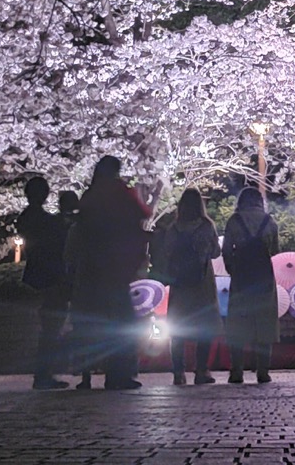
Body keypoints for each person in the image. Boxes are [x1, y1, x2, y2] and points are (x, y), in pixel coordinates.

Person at [69, 156, 150, 390]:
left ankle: (85, 374)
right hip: (114, 268)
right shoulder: (120, 192)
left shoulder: (90, 195)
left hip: (89, 268)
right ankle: (119, 373)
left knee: (89, 323)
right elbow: (140, 214)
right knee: (120, 322)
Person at [158, 188, 221, 385]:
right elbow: (216, 252)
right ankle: (201, 370)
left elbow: (167, 252)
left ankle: (179, 372)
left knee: (178, 328)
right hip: (202, 283)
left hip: (180, 284)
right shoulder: (207, 226)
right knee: (204, 328)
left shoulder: (174, 228)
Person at [16, 175, 73, 389]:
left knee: (49, 325)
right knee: (51, 325)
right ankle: (43, 374)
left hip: (39, 273)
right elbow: (56, 239)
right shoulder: (44, 220)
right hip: (49, 274)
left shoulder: (26, 217)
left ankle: (43, 373)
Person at [222, 186, 279, 384]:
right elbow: (274, 250)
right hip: (263, 275)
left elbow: (227, 249)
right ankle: (263, 370)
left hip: (241, 275)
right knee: (264, 321)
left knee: (238, 322)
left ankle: (236, 370)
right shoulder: (269, 221)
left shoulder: (234, 221)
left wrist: (233, 269)